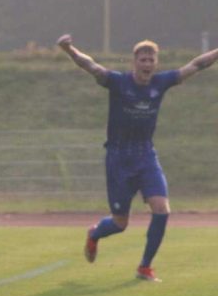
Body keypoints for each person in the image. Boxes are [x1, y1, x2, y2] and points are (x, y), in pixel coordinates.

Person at [56, 34, 218, 282]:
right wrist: (69, 49)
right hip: (118, 158)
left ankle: (145, 267)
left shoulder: (161, 82)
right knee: (120, 223)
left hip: (145, 156)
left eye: (151, 60)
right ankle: (95, 234)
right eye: (143, 59)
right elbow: (91, 66)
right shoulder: (118, 82)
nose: (147, 64)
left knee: (162, 209)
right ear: (135, 62)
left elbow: (196, 65)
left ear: (156, 62)